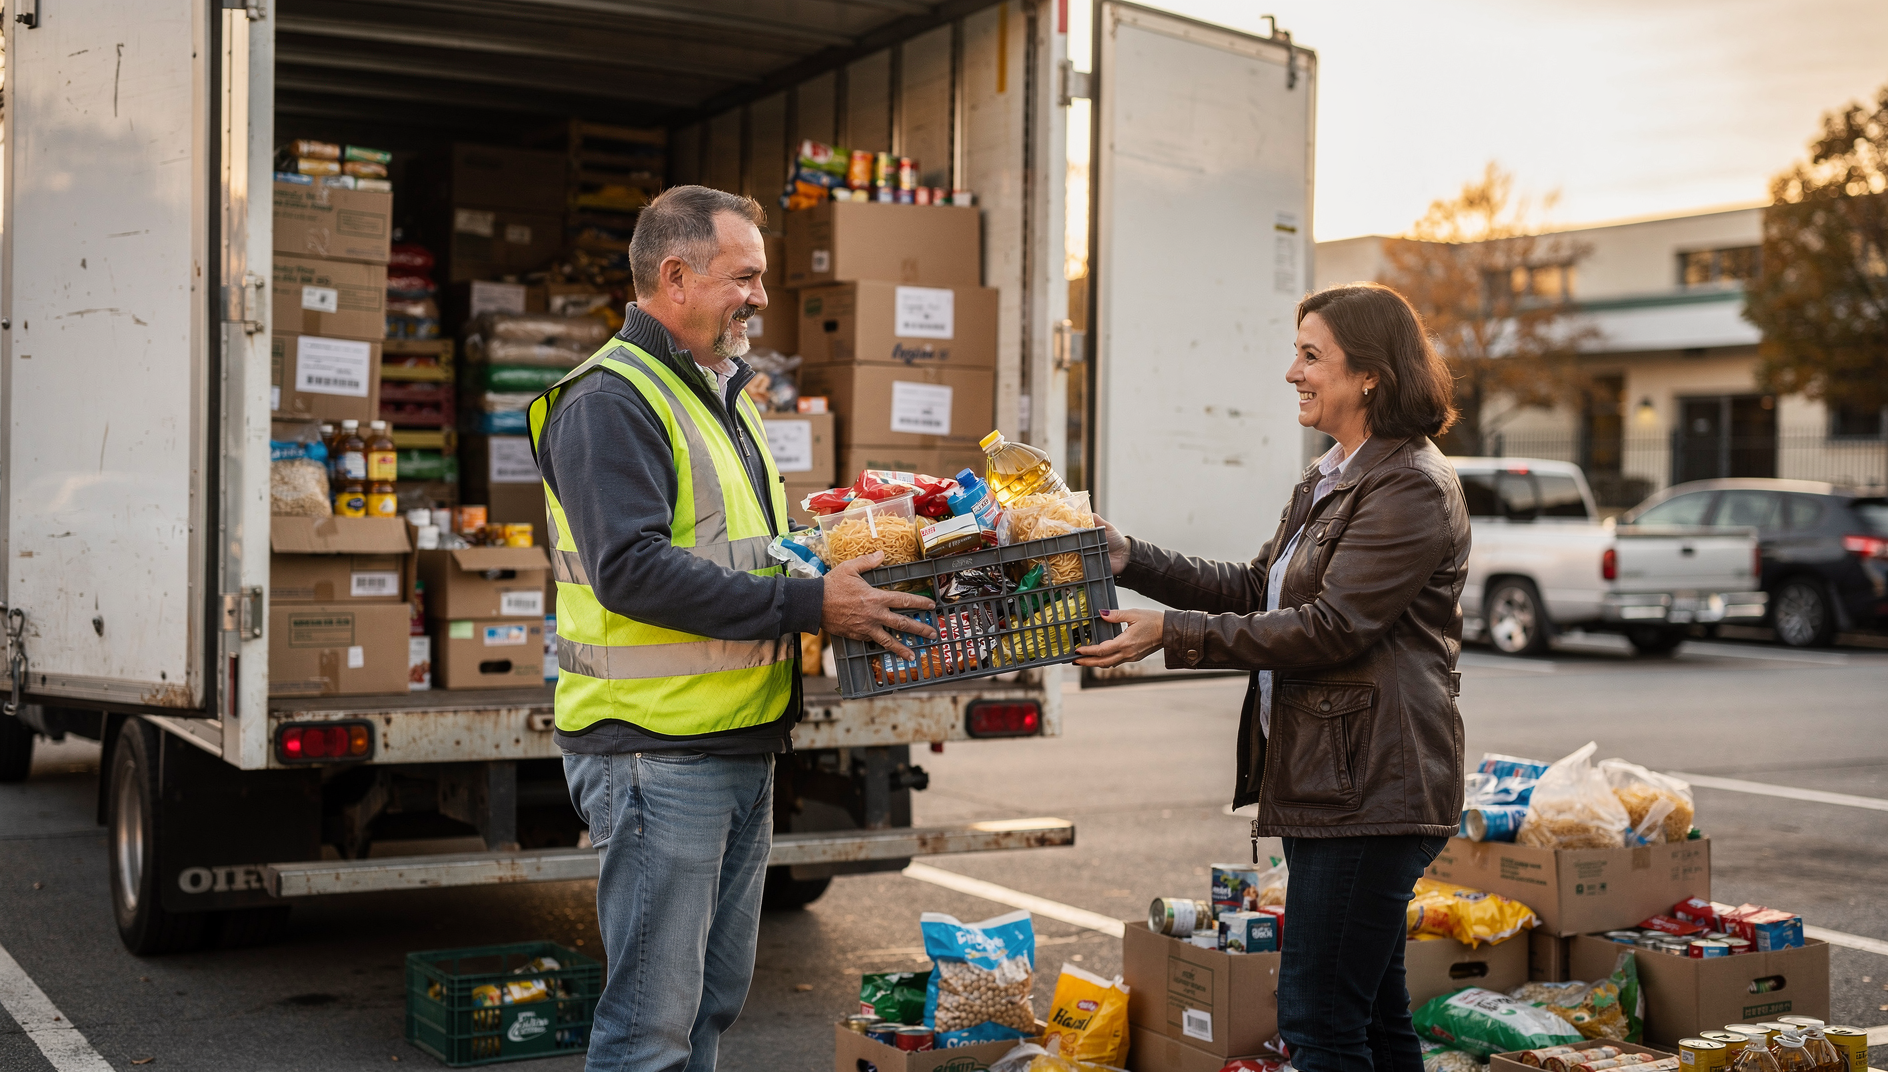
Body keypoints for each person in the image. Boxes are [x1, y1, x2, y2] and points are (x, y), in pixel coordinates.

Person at [527, 185, 937, 1072]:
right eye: (743, 277)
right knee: (650, 1029)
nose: (759, 296)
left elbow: (749, 551)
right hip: (656, 749)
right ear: (674, 276)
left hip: (733, 739)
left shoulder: (724, 394)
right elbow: (630, 570)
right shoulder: (610, 400)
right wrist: (810, 605)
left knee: (709, 1004)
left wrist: (845, 548)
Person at [1076, 282, 1471, 1072]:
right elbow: (1257, 587)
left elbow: (1333, 628)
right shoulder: (1338, 477)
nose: (1291, 371)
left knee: (1320, 1024)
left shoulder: (1409, 488)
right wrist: (1132, 558)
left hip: (1371, 795)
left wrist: (1172, 636)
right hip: (1342, 785)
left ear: (1371, 376)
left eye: (1310, 355)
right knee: (1374, 1018)